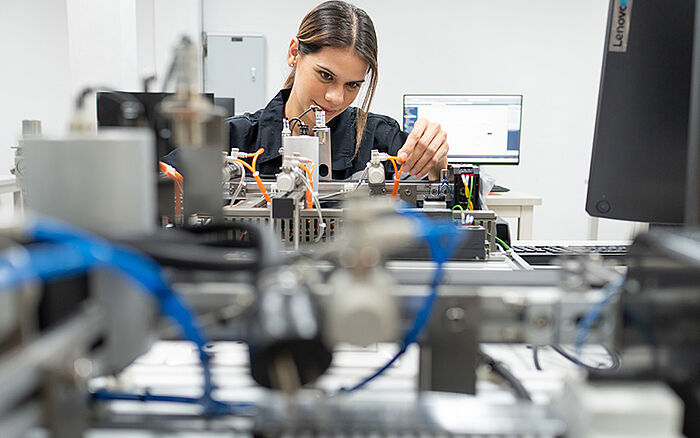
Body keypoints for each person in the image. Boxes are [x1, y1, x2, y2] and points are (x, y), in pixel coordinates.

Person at [223, 1, 448, 180]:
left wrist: (436, 165)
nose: (336, 98)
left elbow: (437, 203)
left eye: (352, 85)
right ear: (294, 53)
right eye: (325, 75)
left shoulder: (380, 140)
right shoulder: (232, 139)